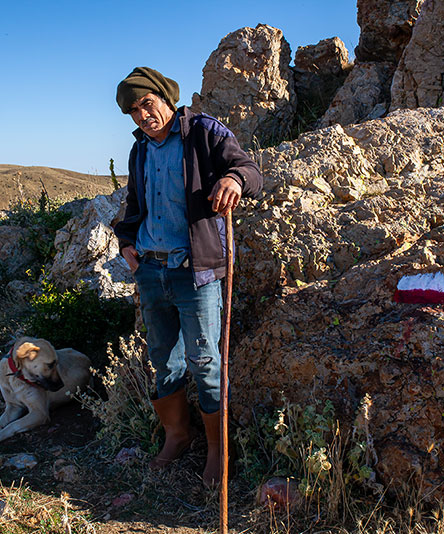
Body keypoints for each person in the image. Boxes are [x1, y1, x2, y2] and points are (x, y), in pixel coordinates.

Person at [113, 67, 262, 486]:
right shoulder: (140, 149)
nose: (143, 115)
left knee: (205, 362)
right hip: (150, 269)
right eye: (133, 111)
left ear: (164, 97)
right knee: (164, 359)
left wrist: (233, 179)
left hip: (194, 271)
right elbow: (134, 202)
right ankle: (177, 436)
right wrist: (128, 244)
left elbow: (250, 171)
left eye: (147, 104)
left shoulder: (204, 132)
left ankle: (218, 449)